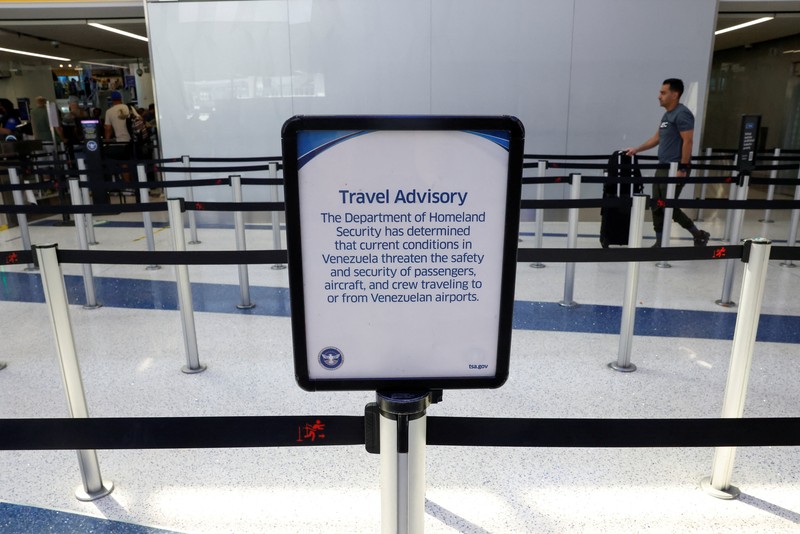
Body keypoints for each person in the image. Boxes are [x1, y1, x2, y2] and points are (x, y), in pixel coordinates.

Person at [626, 78, 709, 247]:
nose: (659, 96)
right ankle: (659, 242)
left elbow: (688, 141)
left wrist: (682, 168)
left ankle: (698, 234)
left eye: (663, 93)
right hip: (662, 166)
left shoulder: (682, 114)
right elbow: (656, 138)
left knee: (668, 205)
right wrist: (637, 149)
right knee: (657, 205)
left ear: (675, 94)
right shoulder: (667, 115)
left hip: (675, 168)